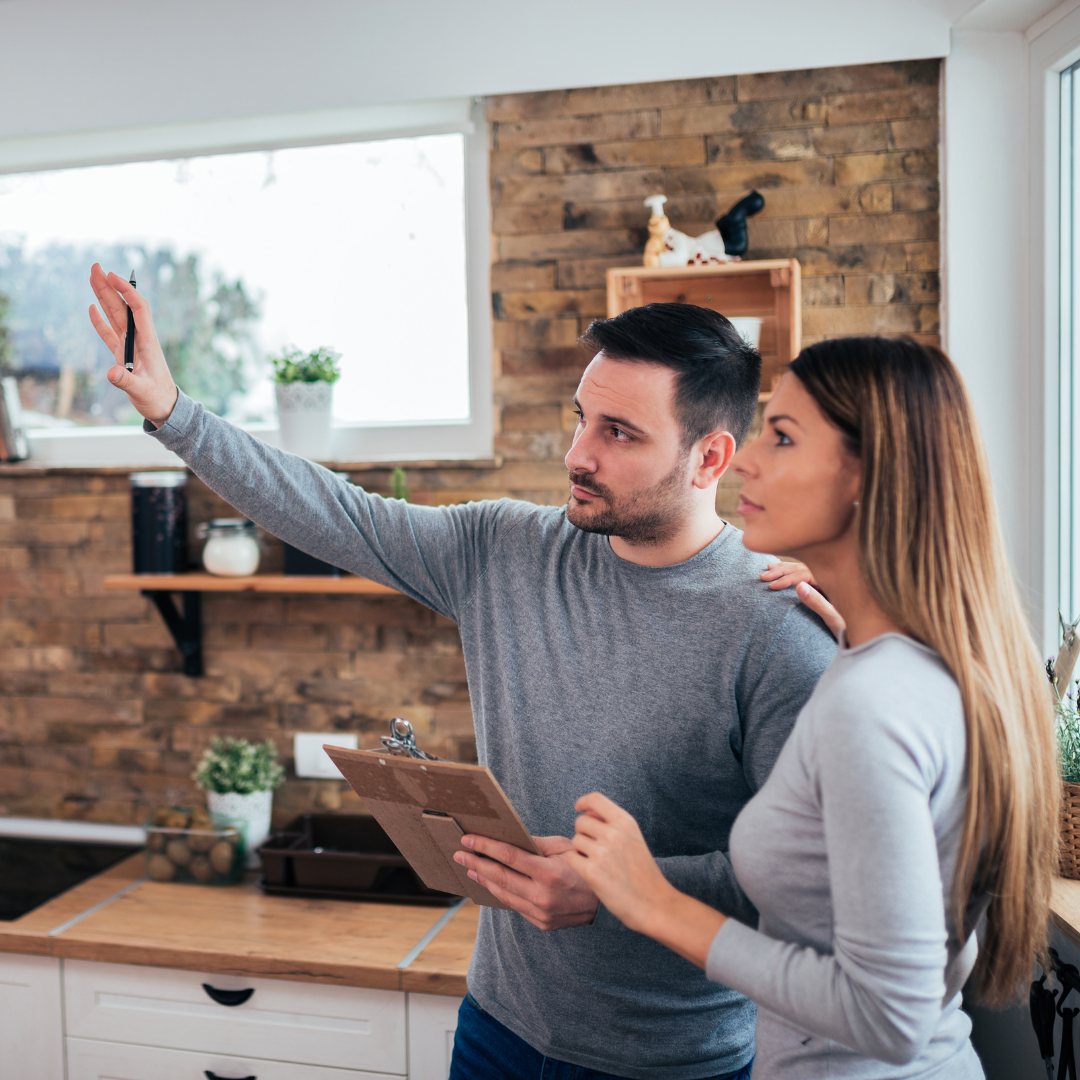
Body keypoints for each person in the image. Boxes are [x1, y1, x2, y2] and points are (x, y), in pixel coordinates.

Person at [88, 265, 836, 1080]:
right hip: (497, 1032)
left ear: (710, 457)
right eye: (581, 419)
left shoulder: (778, 628)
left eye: (619, 433)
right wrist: (172, 411)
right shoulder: (504, 550)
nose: (575, 454)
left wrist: (619, 889)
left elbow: (809, 879)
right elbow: (335, 513)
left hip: (673, 1062)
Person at [567, 336, 1059, 1079]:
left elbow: (889, 1016)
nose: (748, 459)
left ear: (870, 477)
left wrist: (651, 901)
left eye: (784, 437)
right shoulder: (908, 665)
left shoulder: (874, 703)